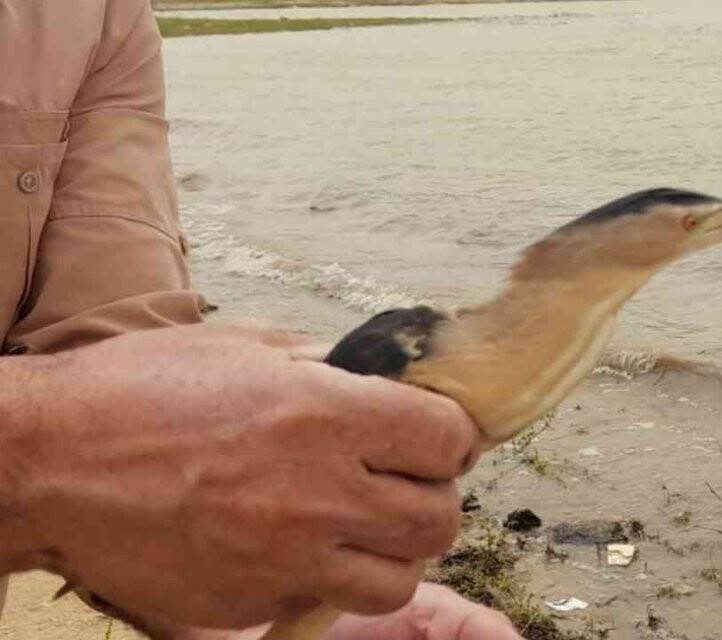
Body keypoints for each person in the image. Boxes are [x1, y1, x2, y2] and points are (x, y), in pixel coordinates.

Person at [0, 1, 520, 638]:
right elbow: (93, 440)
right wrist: (47, 449)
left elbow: (104, 347)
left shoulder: (99, 16)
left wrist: (268, 611)